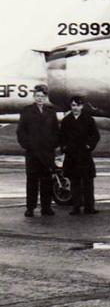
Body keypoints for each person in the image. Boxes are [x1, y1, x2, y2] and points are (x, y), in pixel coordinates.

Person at [17, 84, 60, 217]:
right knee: (32, 181)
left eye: (42, 96)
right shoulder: (27, 111)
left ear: (45, 97)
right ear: (34, 96)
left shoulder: (50, 112)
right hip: (32, 152)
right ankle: (30, 208)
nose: (39, 98)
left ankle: (46, 207)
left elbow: (55, 131)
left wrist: (53, 144)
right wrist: (27, 145)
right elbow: (21, 131)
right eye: (37, 96)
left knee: (47, 181)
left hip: (47, 152)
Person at [59, 95, 100, 215]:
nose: (75, 108)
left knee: (88, 182)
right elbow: (61, 137)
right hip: (72, 156)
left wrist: (89, 146)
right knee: (75, 182)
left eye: (77, 105)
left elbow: (95, 136)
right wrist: (65, 147)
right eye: (73, 105)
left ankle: (89, 206)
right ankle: (76, 206)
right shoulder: (66, 121)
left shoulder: (88, 119)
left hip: (84, 155)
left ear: (82, 106)